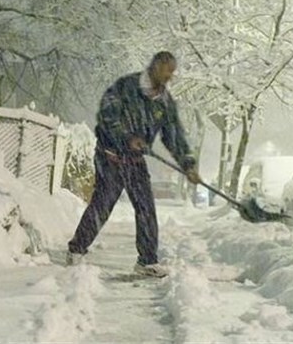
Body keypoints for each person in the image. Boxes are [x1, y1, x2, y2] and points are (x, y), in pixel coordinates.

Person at [66, 51, 201, 277]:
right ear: (156, 66)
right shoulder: (125, 87)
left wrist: (188, 165)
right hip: (110, 156)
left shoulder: (165, 103)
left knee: (146, 207)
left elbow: (174, 137)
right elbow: (107, 116)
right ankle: (76, 249)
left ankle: (147, 262)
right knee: (102, 205)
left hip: (135, 161)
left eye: (172, 72)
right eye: (168, 70)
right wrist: (127, 137)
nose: (170, 76)